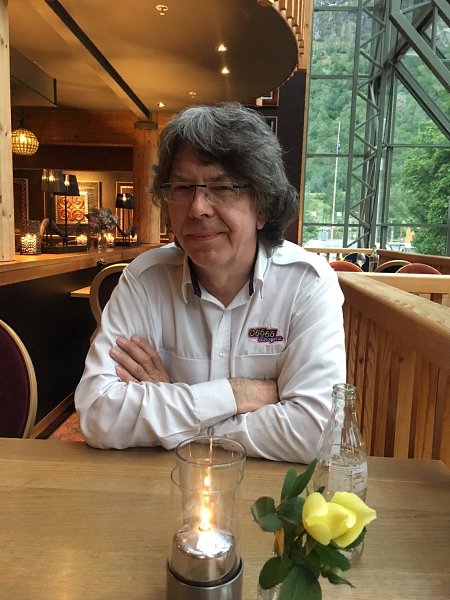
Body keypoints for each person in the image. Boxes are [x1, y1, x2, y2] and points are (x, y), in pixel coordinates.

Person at [75, 102, 346, 462]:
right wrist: (237, 393)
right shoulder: (144, 279)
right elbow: (98, 414)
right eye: (183, 187)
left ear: (262, 207)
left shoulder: (307, 284)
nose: (198, 208)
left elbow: (317, 432)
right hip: (164, 484)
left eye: (223, 187)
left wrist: (175, 411)